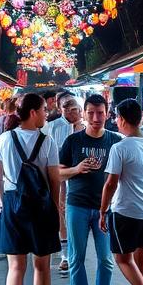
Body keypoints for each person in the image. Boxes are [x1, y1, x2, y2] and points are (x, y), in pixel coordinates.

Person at [0, 92, 61, 285]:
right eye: (44, 110)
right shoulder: (48, 142)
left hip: (12, 202)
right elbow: (54, 180)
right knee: (42, 265)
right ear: (33, 112)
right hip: (41, 205)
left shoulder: (4, 140)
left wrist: (2, 200)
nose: (46, 114)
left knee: (15, 267)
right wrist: (55, 206)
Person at [99, 98, 143, 285]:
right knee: (141, 256)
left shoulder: (120, 147)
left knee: (123, 259)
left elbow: (111, 184)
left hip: (126, 211)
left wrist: (102, 211)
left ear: (121, 119)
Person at [59, 94, 122, 285]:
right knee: (76, 258)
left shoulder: (116, 141)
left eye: (100, 113)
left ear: (108, 114)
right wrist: (76, 169)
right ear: (83, 114)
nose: (96, 118)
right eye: (91, 113)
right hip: (77, 205)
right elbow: (58, 173)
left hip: (106, 207)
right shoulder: (73, 141)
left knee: (106, 259)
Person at [44, 95, 84, 274]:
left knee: (77, 214)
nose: (72, 113)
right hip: (60, 177)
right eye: (68, 110)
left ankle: (75, 253)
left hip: (83, 180)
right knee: (62, 212)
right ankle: (66, 255)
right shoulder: (53, 127)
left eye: (75, 109)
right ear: (62, 110)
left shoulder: (87, 129)